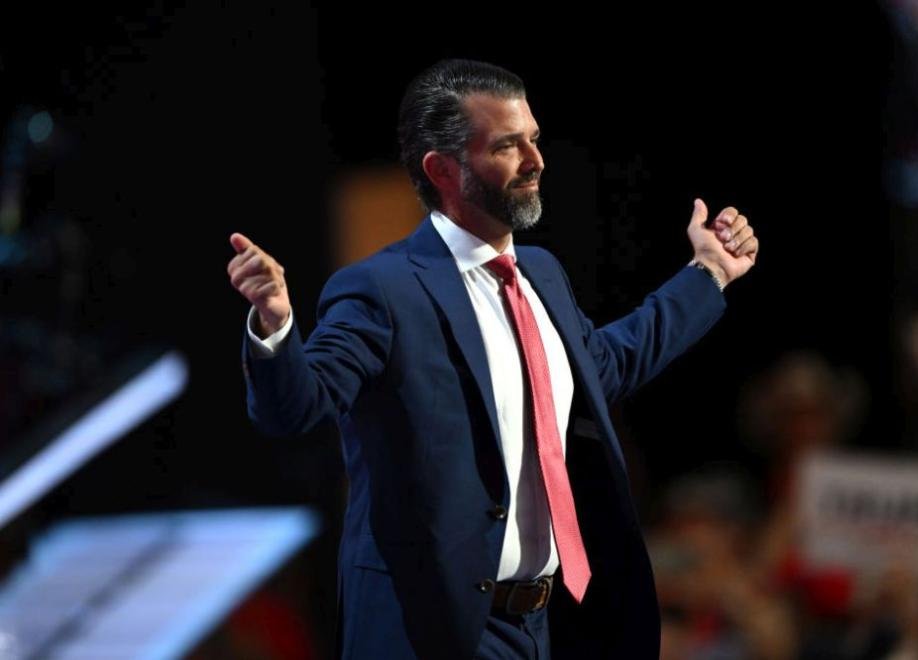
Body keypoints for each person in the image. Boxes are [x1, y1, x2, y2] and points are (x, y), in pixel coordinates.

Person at [227, 59, 758, 660]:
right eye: (508, 146)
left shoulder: (541, 273)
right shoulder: (383, 289)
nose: (536, 161)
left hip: (546, 625)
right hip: (434, 633)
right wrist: (275, 324)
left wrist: (709, 273)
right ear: (442, 170)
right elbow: (298, 409)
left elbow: (605, 365)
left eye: (534, 138)